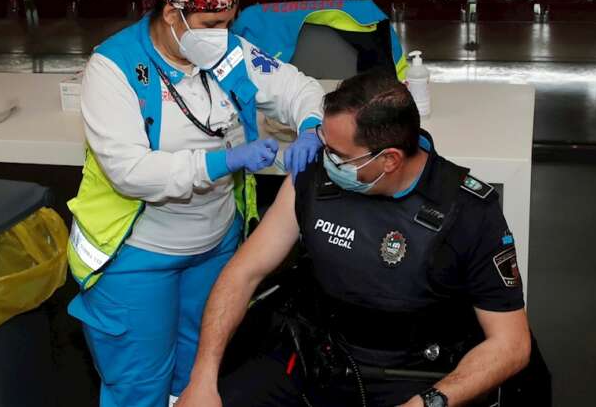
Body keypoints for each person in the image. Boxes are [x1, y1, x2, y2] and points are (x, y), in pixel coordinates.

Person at [67, 0, 326, 407]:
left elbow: (297, 87)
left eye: (228, 24)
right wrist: (222, 162)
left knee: (198, 380)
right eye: (211, 26)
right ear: (172, 14)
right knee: (139, 388)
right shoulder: (115, 68)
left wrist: (310, 124)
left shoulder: (226, 53)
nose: (223, 36)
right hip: (137, 257)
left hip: (212, 247)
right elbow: (130, 172)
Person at [180, 69, 532, 407]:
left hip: (415, 374)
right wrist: (202, 379)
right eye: (324, 143)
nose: (325, 159)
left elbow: (512, 344)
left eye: (339, 155)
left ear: (390, 159)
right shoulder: (313, 179)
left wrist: (429, 402)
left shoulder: (468, 212)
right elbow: (244, 272)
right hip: (317, 356)